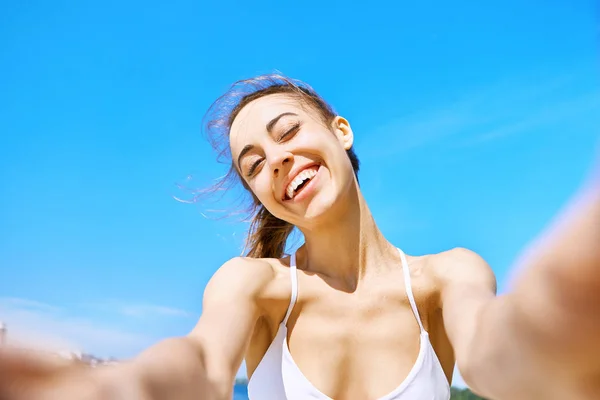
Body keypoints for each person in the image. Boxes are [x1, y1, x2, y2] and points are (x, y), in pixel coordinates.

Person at [1, 74, 599, 400]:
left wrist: (558, 316)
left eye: (288, 133)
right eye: (254, 165)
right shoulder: (255, 287)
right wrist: (114, 387)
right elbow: (199, 365)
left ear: (341, 132)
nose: (277, 162)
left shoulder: (450, 278)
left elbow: (500, 357)